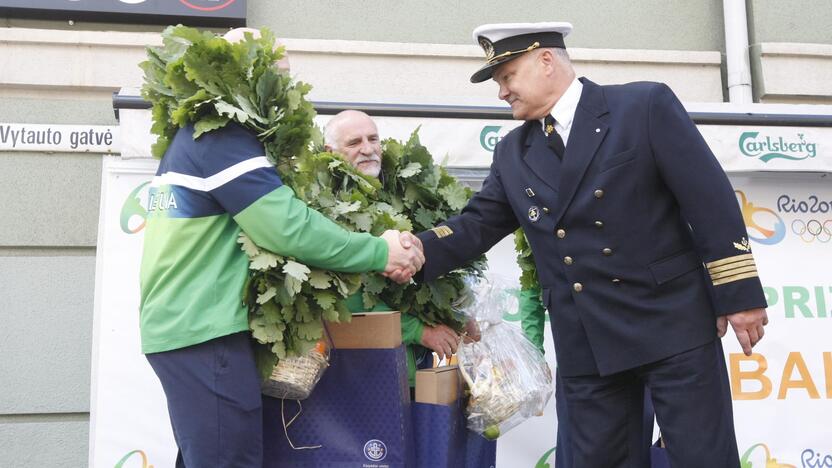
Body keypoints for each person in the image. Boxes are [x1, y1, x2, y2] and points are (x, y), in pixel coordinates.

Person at [411, 22, 769, 468]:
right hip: (587, 341)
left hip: (672, 321)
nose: (502, 92)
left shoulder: (642, 106)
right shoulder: (513, 152)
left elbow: (710, 201)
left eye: (507, 77)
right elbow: (476, 223)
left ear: (545, 61)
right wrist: (413, 250)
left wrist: (739, 298)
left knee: (703, 458)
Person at [139, 29, 423, 468]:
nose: (286, 89)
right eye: (277, 75)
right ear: (241, 74)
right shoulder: (222, 137)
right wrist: (380, 252)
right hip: (204, 330)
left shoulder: (201, 134)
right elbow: (287, 227)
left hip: (192, 328)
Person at [324, 109, 466, 388]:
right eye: (354, 143)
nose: (368, 149)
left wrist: (460, 315)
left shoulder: (399, 192)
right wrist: (420, 331)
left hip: (416, 366)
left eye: (373, 139)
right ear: (330, 151)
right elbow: (344, 295)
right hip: (364, 373)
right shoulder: (325, 209)